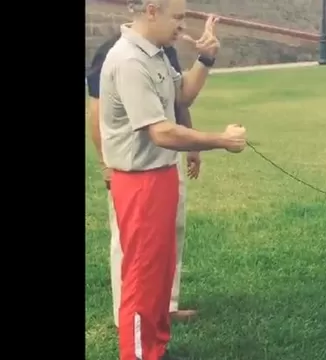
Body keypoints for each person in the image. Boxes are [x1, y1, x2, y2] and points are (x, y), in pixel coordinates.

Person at [98, 0, 247, 359]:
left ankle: (156, 347)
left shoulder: (155, 53)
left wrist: (206, 59)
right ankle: (137, 354)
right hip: (139, 182)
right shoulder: (129, 61)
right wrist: (221, 140)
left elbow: (182, 96)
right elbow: (161, 132)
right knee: (142, 276)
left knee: (161, 273)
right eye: (177, 17)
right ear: (151, 10)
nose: (182, 26)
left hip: (160, 175)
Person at [87, 32, 201, 328]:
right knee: (129, 245)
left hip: (165, 160)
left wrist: (192, 146)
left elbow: (178, 101)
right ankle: (127, 316)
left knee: (170, 233)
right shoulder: (117, 54)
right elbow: (97, 111)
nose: (180, 26)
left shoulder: (164, 52)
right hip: (134, 168)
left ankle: (166, 306)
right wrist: (105, 165)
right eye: (175, 17)